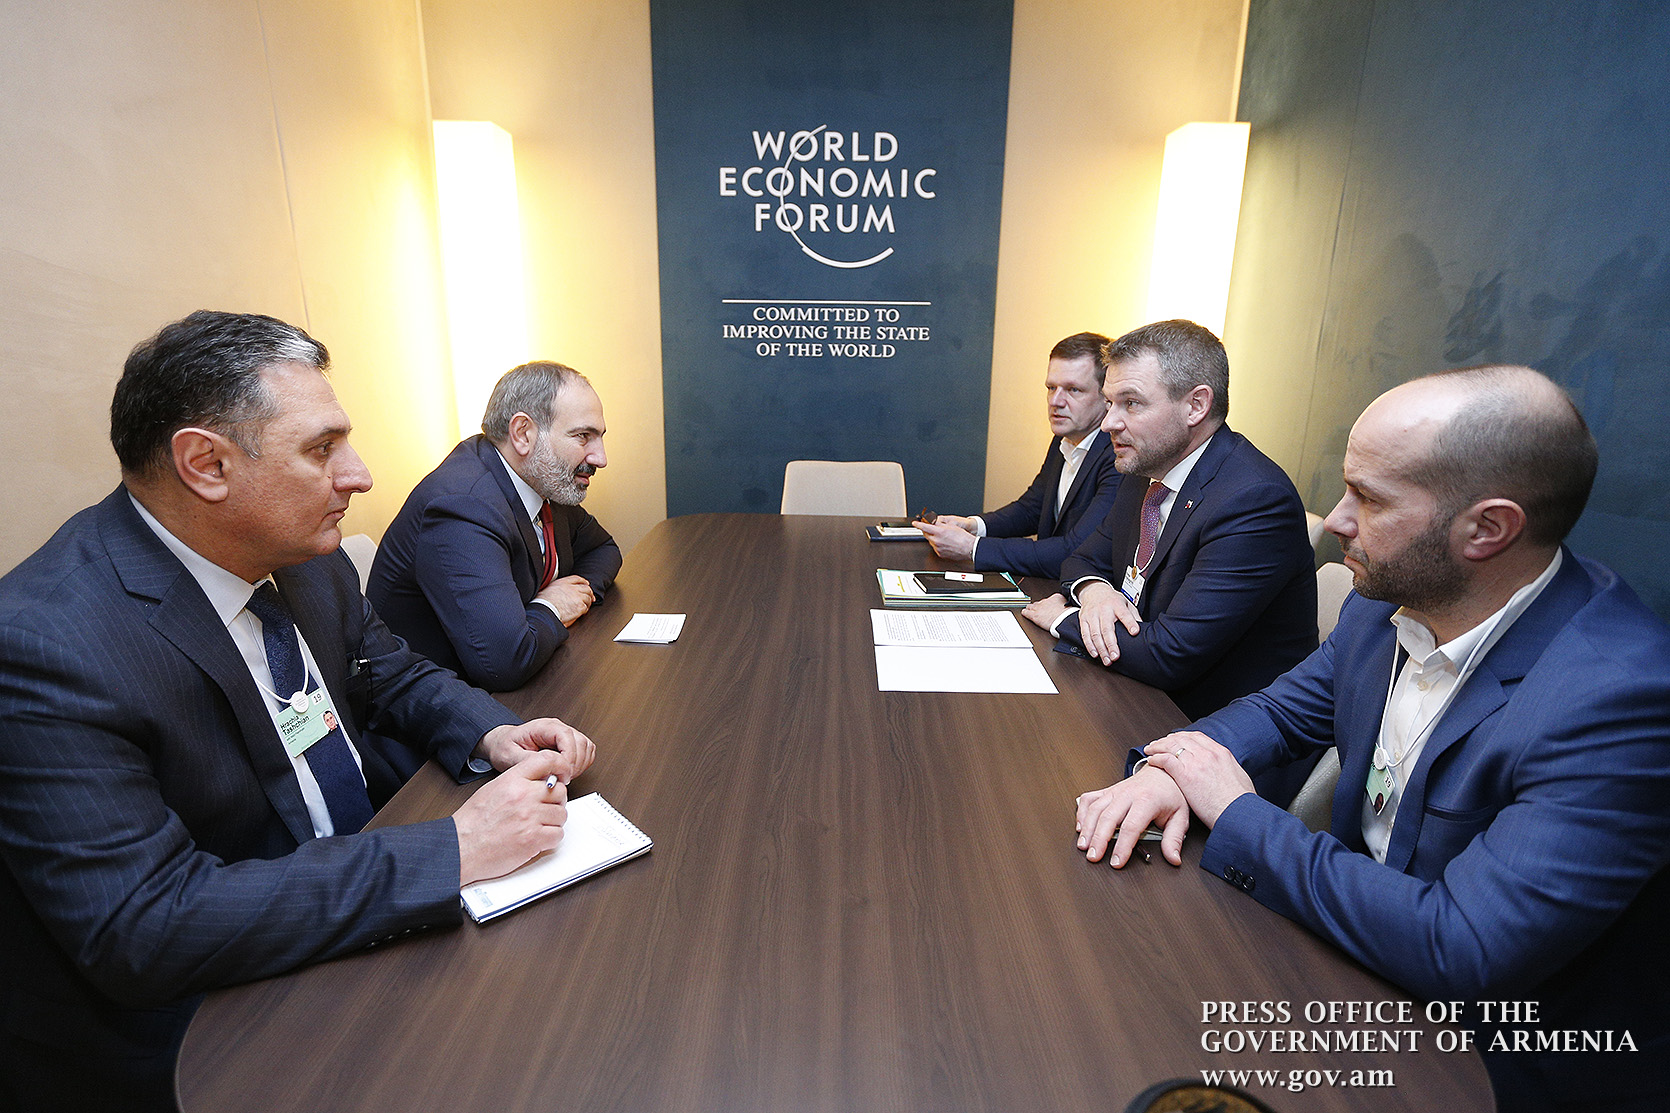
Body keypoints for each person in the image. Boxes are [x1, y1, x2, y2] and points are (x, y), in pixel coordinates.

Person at [0, 312, 598, 1113]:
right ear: (205, 464)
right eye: (322, 450)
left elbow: (389, 671)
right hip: (210, 1026)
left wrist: (491, 730)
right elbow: (148, 924)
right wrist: (455, 848)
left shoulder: (306, 557)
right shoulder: (44, 645)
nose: (360, 476)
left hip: (359, 898)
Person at [1076, 366, 1670, 1112]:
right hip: (1353, 960)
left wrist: (1234, 810)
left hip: (1496, 1061)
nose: (1335, 520)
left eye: (1371, 498)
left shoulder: (1620, 701)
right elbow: (1280, 712)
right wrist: (1173, 768)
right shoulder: (1384, 603)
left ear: (1488, 529)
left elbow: (1462, 948)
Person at [1021, 320, 1317, 722]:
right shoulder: (1146, 468)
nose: (1109, 423)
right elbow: (1081, 559)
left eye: (1131, 403)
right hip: (1136, 692)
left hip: (1213, 726)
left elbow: (1170, 654)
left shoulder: (1254, 501)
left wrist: (1063, 618)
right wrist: (1095, 594)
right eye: (1109, 403)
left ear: (1196, 406)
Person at [368, 361, 620, 692]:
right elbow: (505, 662)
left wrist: (573, 596)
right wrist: (552, 607)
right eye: (583, 436)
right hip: (433, 704)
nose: (600, 458)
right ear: (523, 434)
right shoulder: (462, 507)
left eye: (599, 437)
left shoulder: (541, 479)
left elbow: (604, 549)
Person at [912, 332, 1121, 579]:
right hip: (1049, 586)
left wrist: (972, 548)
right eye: (1051, 388)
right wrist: (973, 526)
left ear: (1106, 397)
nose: (1056, 401)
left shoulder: (1118, 456)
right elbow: (1031, 509)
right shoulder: (1063, 438)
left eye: (1073, 389)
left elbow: (1075, 550)